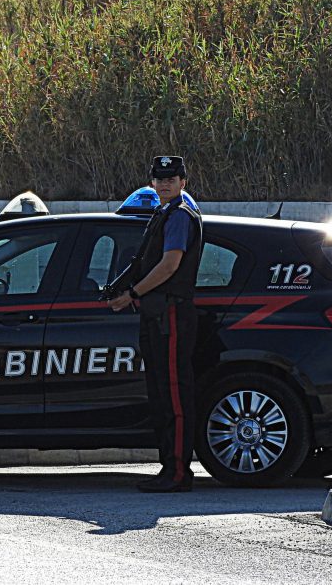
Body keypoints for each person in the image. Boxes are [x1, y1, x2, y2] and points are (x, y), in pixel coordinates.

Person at [107, 156, 203, 493]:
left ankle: (178, 472)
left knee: (175, 395)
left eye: (172, 178)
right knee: (162, 393)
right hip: (157, 314)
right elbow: (143, 262)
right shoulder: (162, 214)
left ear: (183, 182)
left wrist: (131, 293)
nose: (164, 184)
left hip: (171, 314)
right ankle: (169, 468)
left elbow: (169, 265)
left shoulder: (179, 216)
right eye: (159, 179)